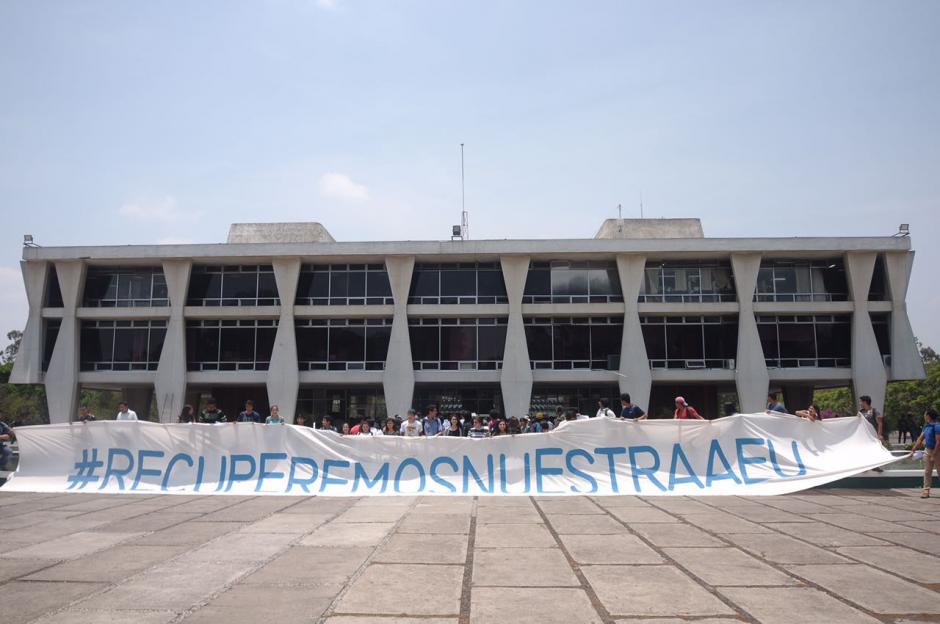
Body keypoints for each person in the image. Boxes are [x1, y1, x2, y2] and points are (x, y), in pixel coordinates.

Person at [910, 409, 939, 498]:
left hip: (937, 451)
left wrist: (934, 455)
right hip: (928, 450)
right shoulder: (926, 426)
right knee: (927, 472)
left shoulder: (937, 426)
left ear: (928, 416)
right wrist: (914, 449)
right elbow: (920, 438)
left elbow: (939, 442)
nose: (924, 416)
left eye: (925, 414)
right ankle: (926, 491)